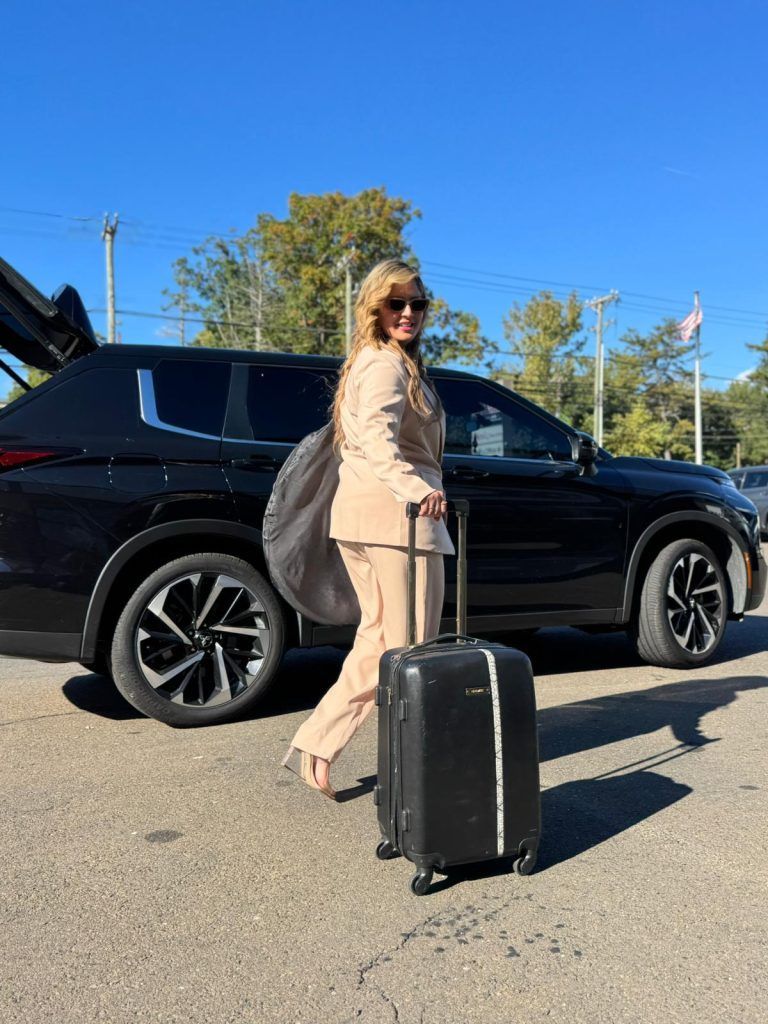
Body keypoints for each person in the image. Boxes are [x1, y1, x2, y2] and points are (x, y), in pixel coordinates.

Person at [281, 258, 455, 798]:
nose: (408, 313)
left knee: (380, 640)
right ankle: (412, 763)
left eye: (417, 304)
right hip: (398, 521)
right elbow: (380, 442)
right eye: (395, 303)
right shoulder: (385, 366)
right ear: (374, 308)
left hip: (366, 517)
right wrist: (418, 489)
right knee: (411, 649)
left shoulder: (374, 360)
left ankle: (317, 745)